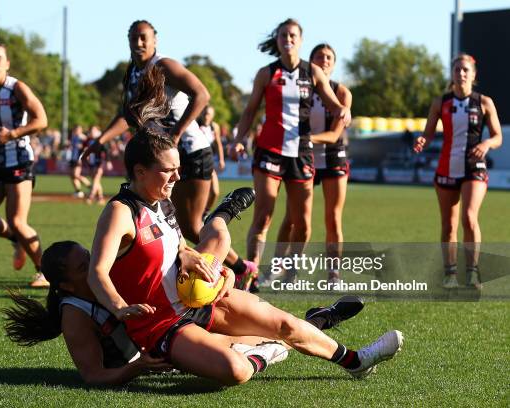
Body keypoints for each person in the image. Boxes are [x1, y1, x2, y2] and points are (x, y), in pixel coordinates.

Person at [85, 86, 401, 385]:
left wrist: (188, 255)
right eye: (169, 170)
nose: (178, 176)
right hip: (163, 326)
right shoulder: (120, 212)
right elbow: (97, 272)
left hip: (198, 297)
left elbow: (175, 243)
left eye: (179, 168)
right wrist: (118, 306)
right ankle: (313, 323)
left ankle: (357, 361)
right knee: (235, 369)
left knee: (285, 325)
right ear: (140, 172)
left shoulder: (162, 202)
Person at [3, 238, 364, 386]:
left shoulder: (107, 271)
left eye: (91, 256)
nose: (97, 264)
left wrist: (210, 271)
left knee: (274, 331)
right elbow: (93, 376)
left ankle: (319, 321)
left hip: (172, 330)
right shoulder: (75, 313)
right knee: (253, 348)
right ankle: (319, 319)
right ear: (66, 285)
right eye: (85, 267)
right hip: (158, 354)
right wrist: (137, 369)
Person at [82, 20, 256, 285]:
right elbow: (128, 115)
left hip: (190, 152)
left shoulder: (163, 66)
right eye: (133, 38)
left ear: (155, 41)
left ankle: (236, 269)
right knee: (165, 221)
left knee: (191, 226)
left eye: (143, 38)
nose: (138, 43)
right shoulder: (131, 73)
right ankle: (163, 274)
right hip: (161, 158)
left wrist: (175, 133)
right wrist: (101, 140)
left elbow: (202, 95)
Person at [231, 19, 351, 282]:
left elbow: (333, 104)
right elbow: (250, 110)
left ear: (300, 39)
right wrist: (239, 138)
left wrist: (343, 110)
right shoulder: (266, 73)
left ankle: (290, 271)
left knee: (303, 224)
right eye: (283, 35)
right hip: (269, 151)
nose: (288, 38)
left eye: (293, 35)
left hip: (301, 154)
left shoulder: (313, 73)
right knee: (263, 217)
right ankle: (250, 278)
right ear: (278, 40)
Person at [413, 53, 502, 289]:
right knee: (448, 224)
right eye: (457, 70)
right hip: (446, 167)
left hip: (474, 167)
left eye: (465, 70)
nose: (461, 74)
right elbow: (429, 132)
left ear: (473, 75)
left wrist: (485, 144)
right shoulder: (440, 102)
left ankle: (472, 272)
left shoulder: (484, 102)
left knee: (469, 218)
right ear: (452, 74)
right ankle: (450, 273)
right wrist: (423, 140)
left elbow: (497, 137)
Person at [0, 44, 49, 287]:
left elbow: (41, 119)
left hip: (18, 159)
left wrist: (13, 134)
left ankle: (44, 272)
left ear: (7, 63)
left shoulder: (17, 88)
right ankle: (17, 240)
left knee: (17, 220)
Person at [276, 43, 352, 284]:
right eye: (319, 56)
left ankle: (333, 273)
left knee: (333, 218)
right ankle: (282, 268)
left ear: (334, 63)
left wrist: (304, 139)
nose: (324, 60)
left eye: (329, 57)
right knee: (292, 219)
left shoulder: (342, 92)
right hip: (302, 157)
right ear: (310, 62)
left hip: (331, 158)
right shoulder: (300, 88)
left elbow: (334, 135)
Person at [84, 125, 106, 205]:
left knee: (96, 179)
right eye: (91, 131)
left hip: (100, 162)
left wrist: (108, 161)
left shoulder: (101, 139)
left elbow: (106, 151)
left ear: (97, 131)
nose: (91, 132)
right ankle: (100, 198)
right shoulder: (89, 140)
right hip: (92, 163)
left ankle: (91, 197)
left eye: (93, 130)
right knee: (96, 181)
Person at [68, 125, 91, 199]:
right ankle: (78, 191)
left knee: (76, 174)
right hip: (73, 158)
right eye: (75, 129)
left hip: (79, 158)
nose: (76, 131)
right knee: (72, 176)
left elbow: (87, 147)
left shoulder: (83, 138)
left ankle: (91, 187)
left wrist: (82, 149)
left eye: (78, 129)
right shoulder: (73, 137)